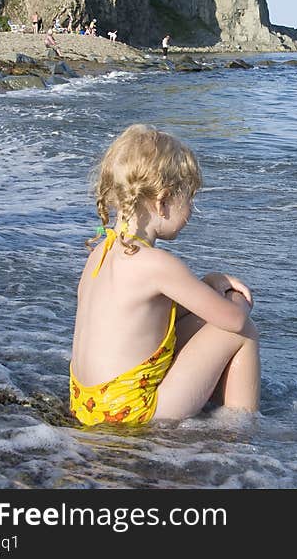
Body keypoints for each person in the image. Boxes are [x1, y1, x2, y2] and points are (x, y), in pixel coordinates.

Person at [69, 124, 260, 426]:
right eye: (190, 199)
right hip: (133, 411)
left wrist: (210, 283)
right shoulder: (156, 263)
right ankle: (237, 433)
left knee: (194, 321)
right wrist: (236, 298)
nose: (192, 210)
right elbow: (233, 320)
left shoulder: (101, 251)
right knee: (241, 331)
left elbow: (150, 315)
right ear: (163, 200)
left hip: (88, 404)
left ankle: (211, 401)